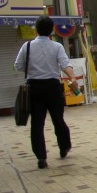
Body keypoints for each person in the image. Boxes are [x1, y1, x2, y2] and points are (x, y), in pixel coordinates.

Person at [14, 16, 80, 169]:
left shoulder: (27, 46)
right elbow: (65, 64)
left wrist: (33, 68)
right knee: (58, 119)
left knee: (37, 123)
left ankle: (41, 158)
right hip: (53, 87)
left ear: (36, 30)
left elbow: (18, 66)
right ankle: (64, 147)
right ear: (52, 30)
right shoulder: (57, 46)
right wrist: (72, 78)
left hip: (34, 88)